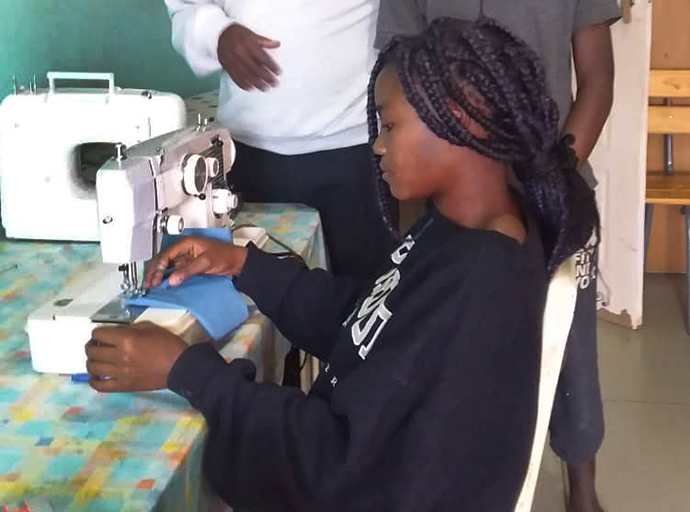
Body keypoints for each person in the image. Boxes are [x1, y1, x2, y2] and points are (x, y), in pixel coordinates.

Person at [85, 18, 600, 511]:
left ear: (460, 117)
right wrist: (244, 264)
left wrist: (187, 370)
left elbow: (337, 463)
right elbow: (370, 323)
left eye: (390, 125)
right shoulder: (464, 230)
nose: (376, 145)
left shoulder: (481, 282)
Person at [375, 3, 620, 511]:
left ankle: (582, 488)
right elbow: (402, 71)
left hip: (555, 189)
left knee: (569, 353)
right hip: (452, 203)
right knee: (455, 359)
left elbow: (597, 79)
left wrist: (552, 180)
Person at [164, 0, 392, 279]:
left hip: (354, 147)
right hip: (249, 152)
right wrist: (216, 35)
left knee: (364, 294)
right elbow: (185, 8)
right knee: (257, 289)